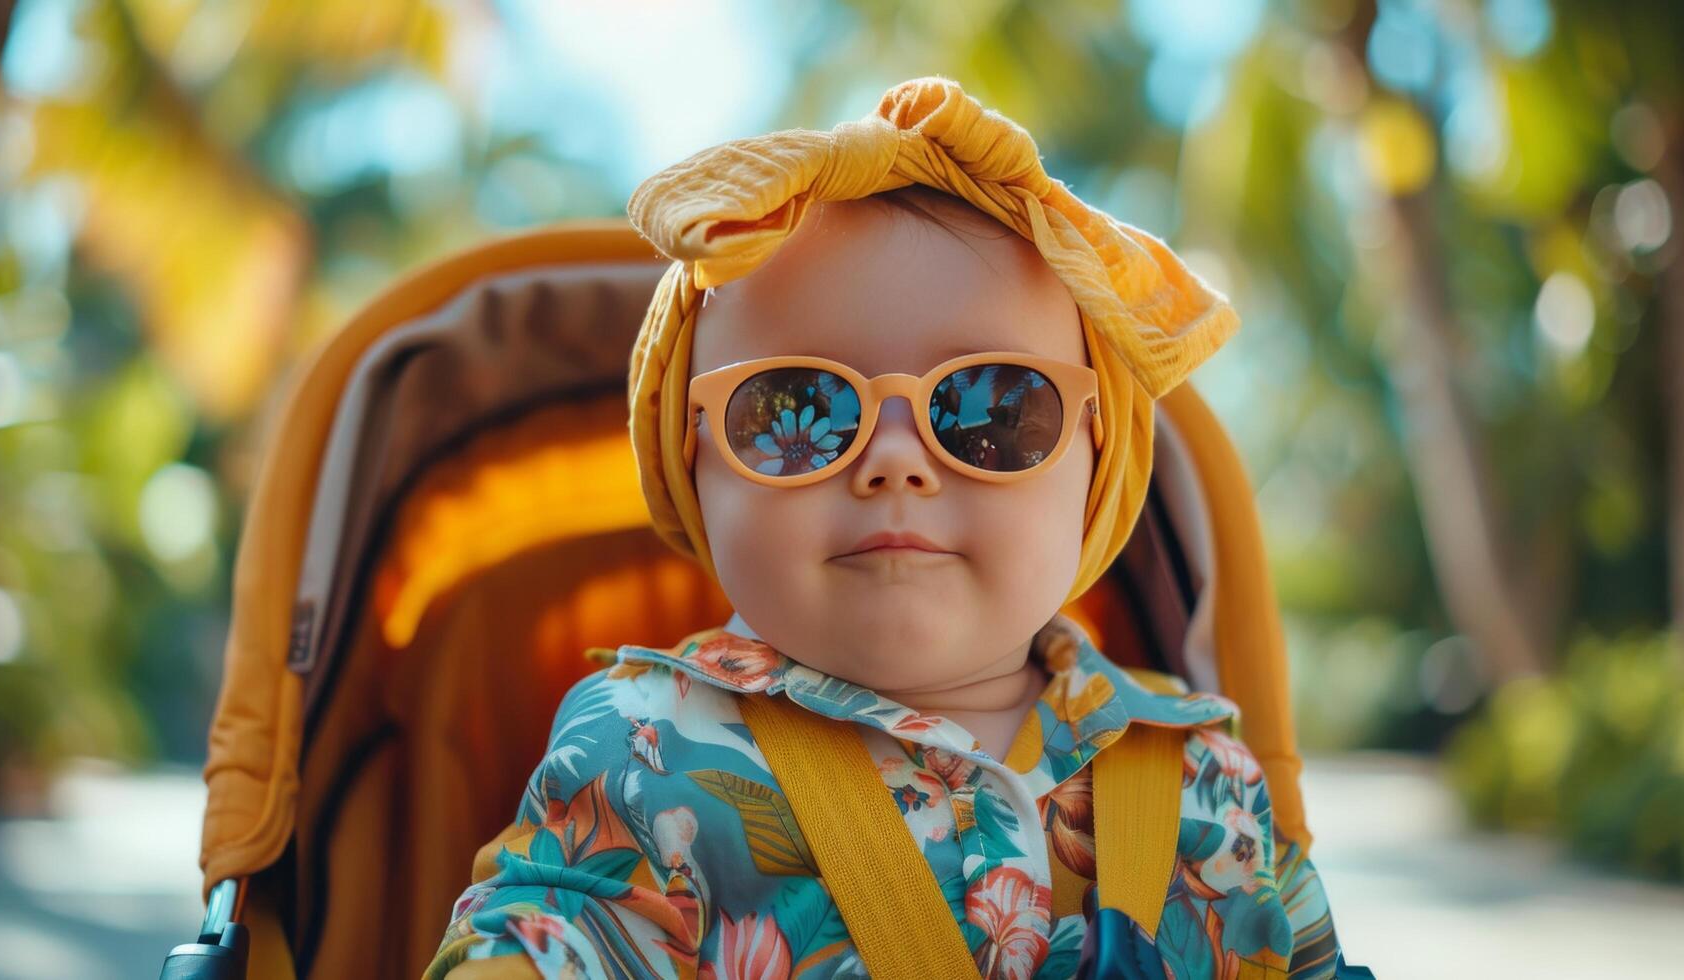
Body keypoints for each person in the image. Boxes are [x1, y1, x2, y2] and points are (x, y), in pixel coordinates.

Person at [425, 76, 1365, 980]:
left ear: (1096, 463)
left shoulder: (1209, 771)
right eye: (796, 411)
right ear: (693, 464)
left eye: (994, 411)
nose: (895, 461)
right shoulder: (640, 747)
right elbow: (549, 934)